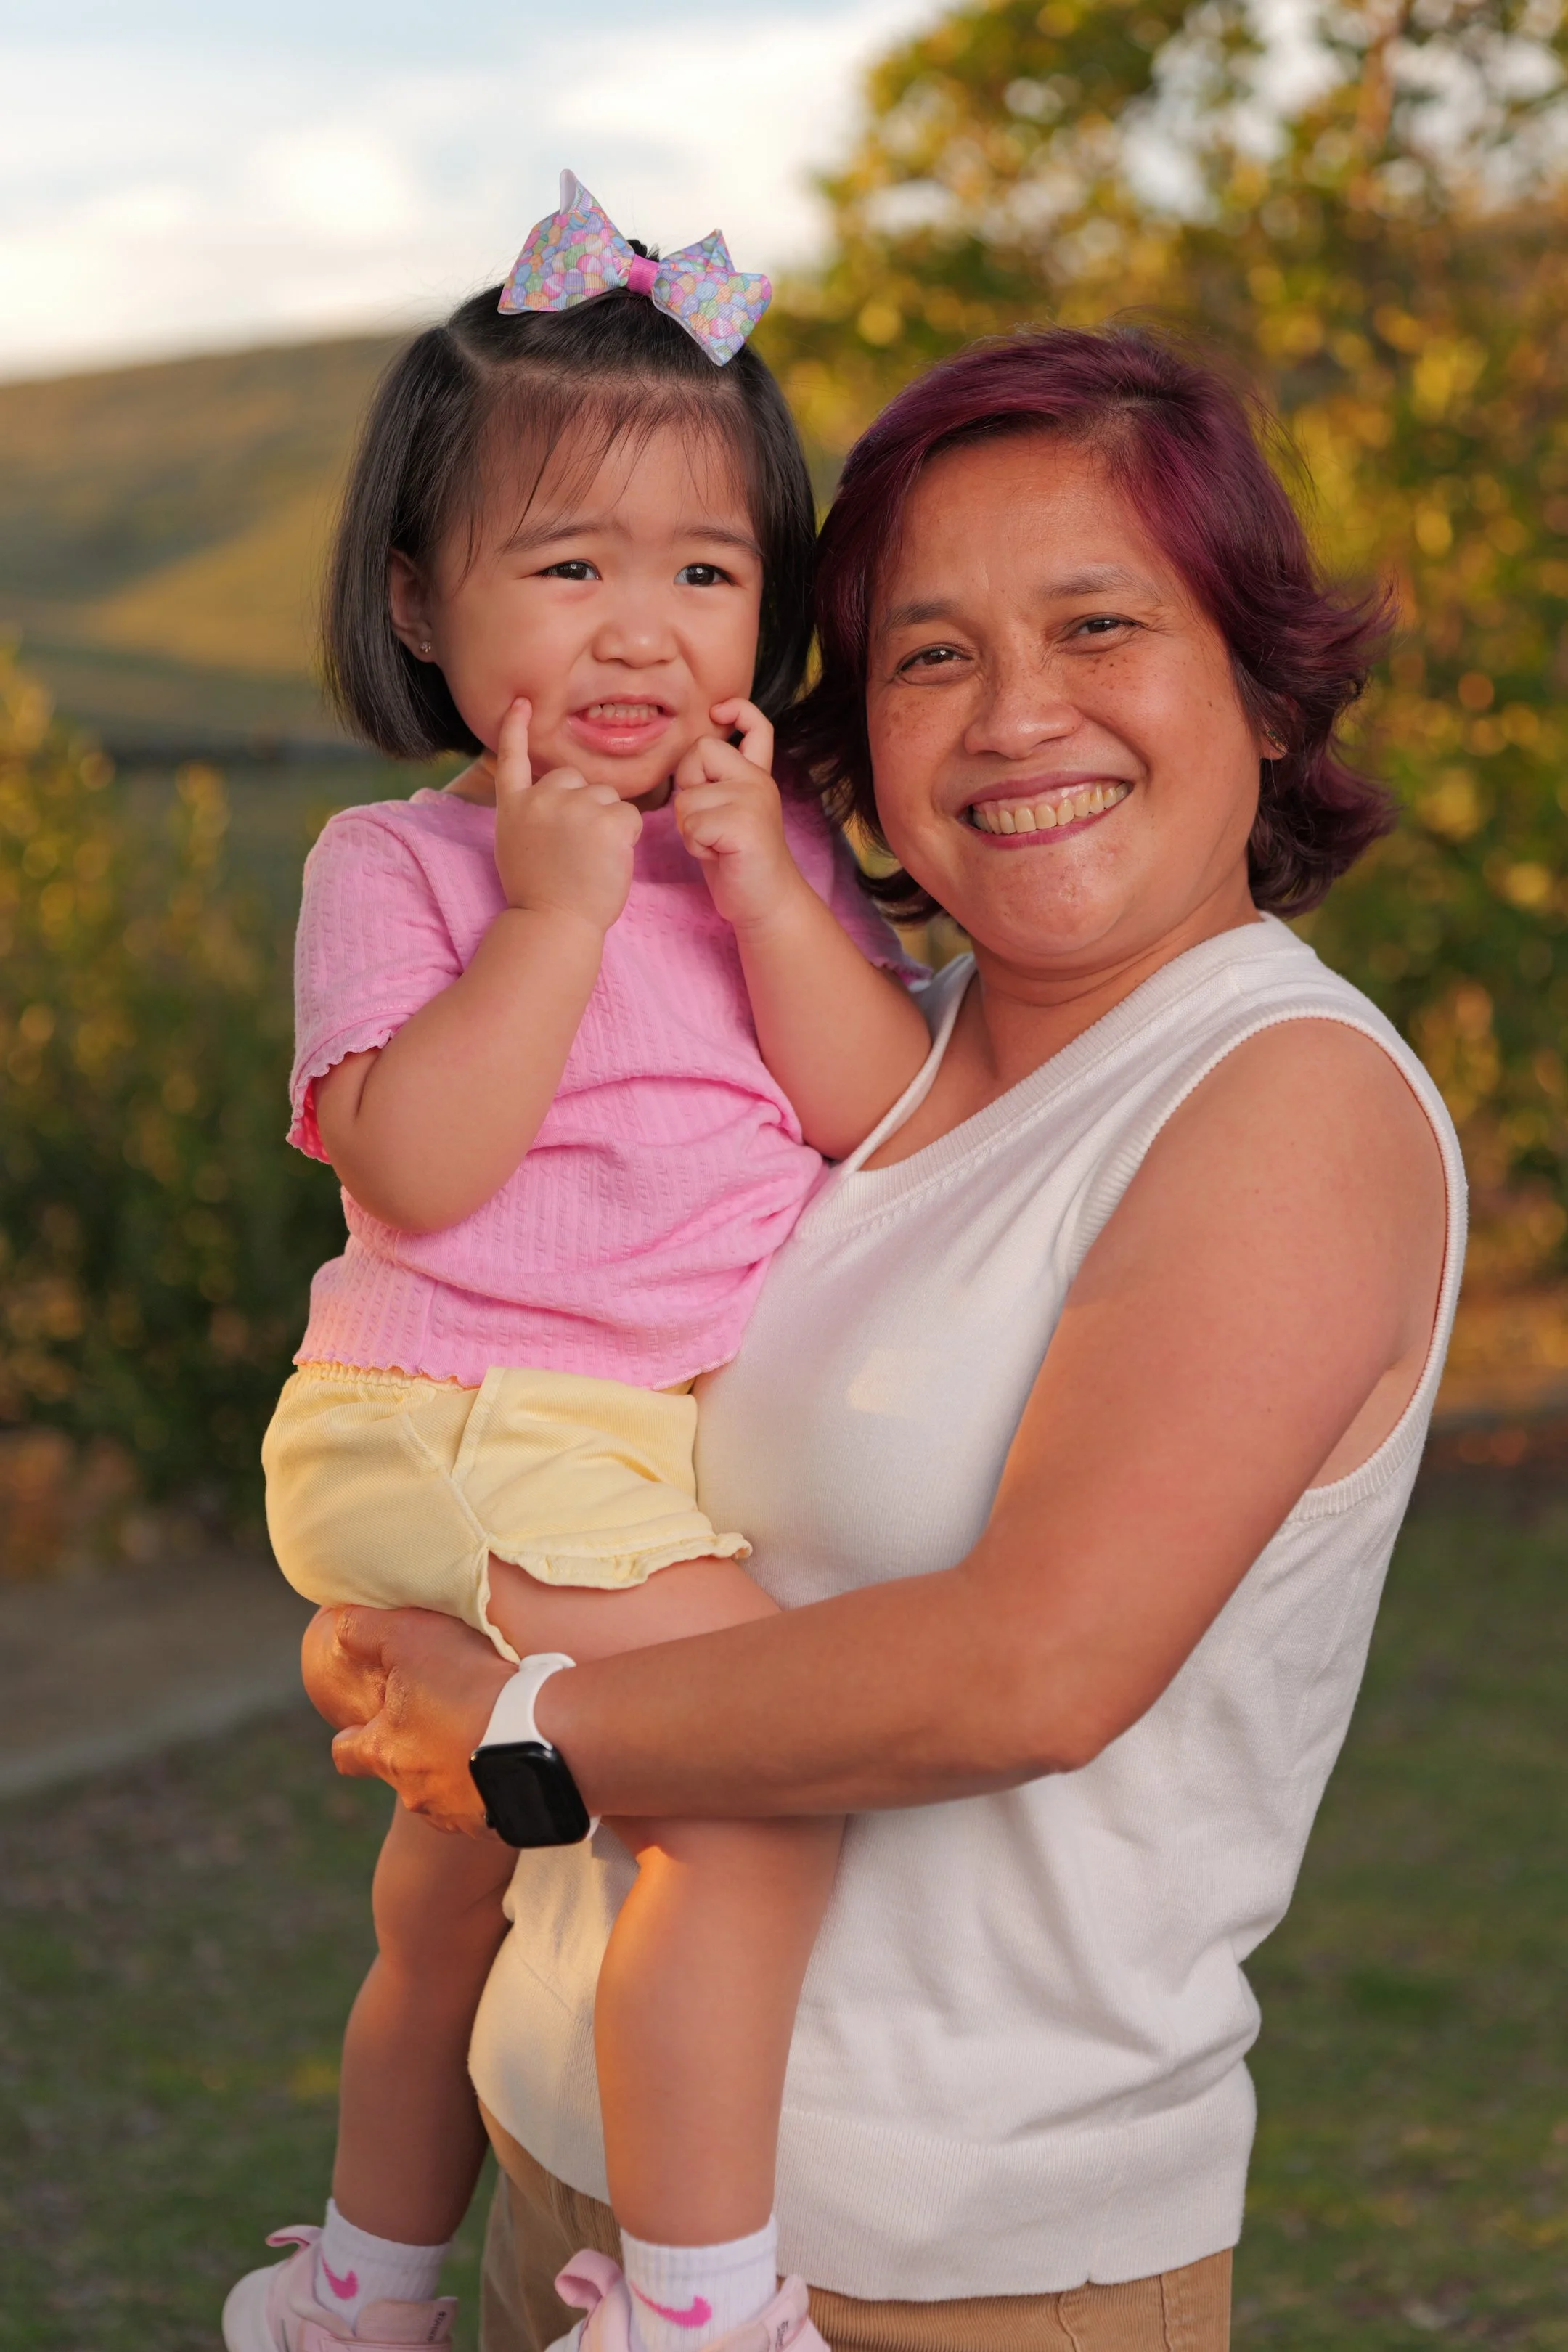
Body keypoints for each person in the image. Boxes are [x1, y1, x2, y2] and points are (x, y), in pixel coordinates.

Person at [303, 324, 1466, 2352]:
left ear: (1262, 690)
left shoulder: (1282, 1099)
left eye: (1101, 624)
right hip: (566, 2181)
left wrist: (508, 1729)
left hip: (952, 2275)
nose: (1020, 717)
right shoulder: (836, 1059)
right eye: (932, 654)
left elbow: (1034, 1666)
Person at [222, 173, 931, 2352]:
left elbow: (877, 1102)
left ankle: (357, 2294)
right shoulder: (408, 863)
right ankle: (702, 2315)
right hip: (457, 1417)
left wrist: (773, 894)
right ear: (424, 597)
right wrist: (556, 914)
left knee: (446, 1898)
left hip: (613, 1451)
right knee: (756, 1792)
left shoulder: (771, 849)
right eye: (570, 565)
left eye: (705, 572)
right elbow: (424, 1165)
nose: (643, 630)